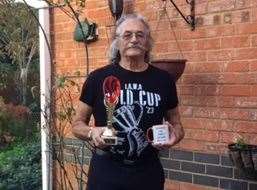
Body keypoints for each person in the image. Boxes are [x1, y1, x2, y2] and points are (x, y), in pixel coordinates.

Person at [72, 13, 184, 190]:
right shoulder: (98, 78)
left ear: (148, 42)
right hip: (105, 173)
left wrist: (174, 136)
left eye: (140, 35)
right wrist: (92, 132)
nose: (134, 39)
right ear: (117, 42)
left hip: (148, 174)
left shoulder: (164, 80)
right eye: (127, 35)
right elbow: (77, 124)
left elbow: (177, 124)